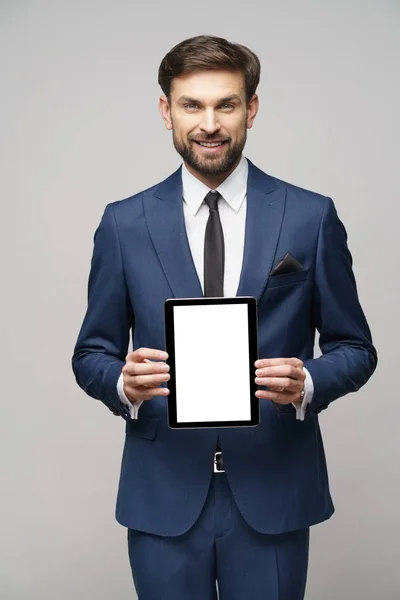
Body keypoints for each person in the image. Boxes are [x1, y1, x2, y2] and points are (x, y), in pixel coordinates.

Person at [72, 34, 377, 600]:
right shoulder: (124, 224)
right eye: (192, 105)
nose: (209, 123)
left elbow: (356, 349)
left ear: (251, 109)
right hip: (162, 493)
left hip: (274, 491)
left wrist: (308, 380)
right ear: (166, 111)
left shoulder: (310, 216)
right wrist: (123, 381)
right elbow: (90, 353)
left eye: (226, 105)